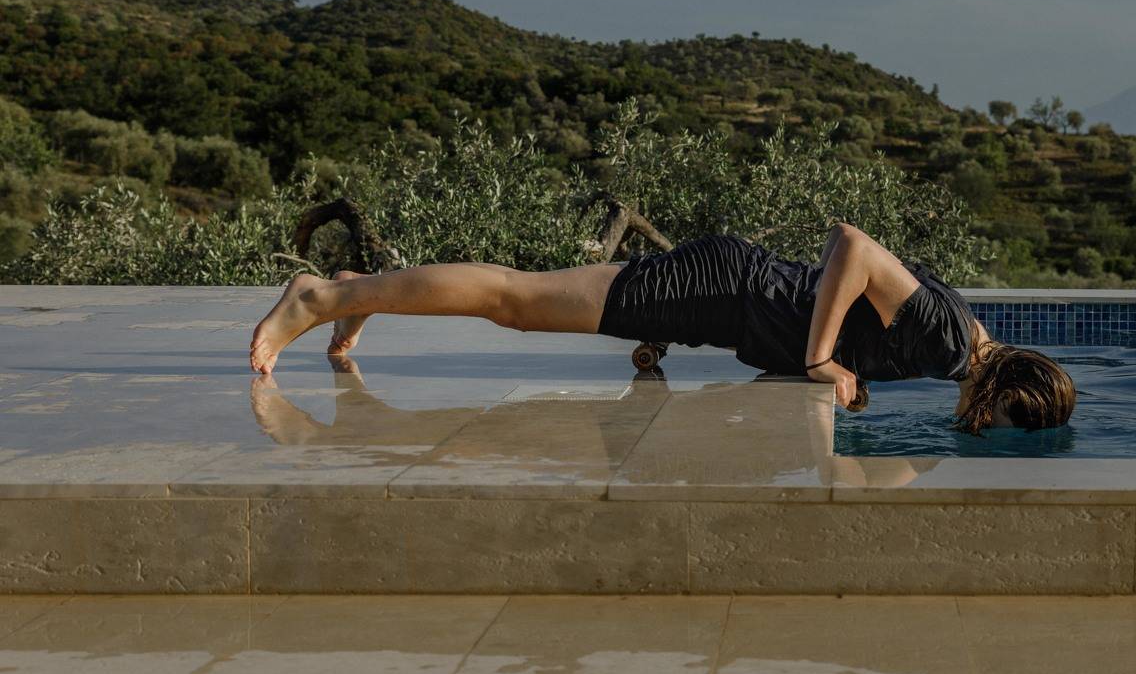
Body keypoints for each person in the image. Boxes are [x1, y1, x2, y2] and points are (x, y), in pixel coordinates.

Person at [248, 223, 1076, 432]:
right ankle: (315, 298)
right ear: (1007, 392)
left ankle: (358, 293)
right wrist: (822, 359)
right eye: (1004, 422)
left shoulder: (960, 338)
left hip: (722, 298)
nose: (986, 426)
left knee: (522, 305)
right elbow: (851, 247)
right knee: (517, 303)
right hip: (721, 287)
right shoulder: (948, 342)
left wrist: (825, 364)